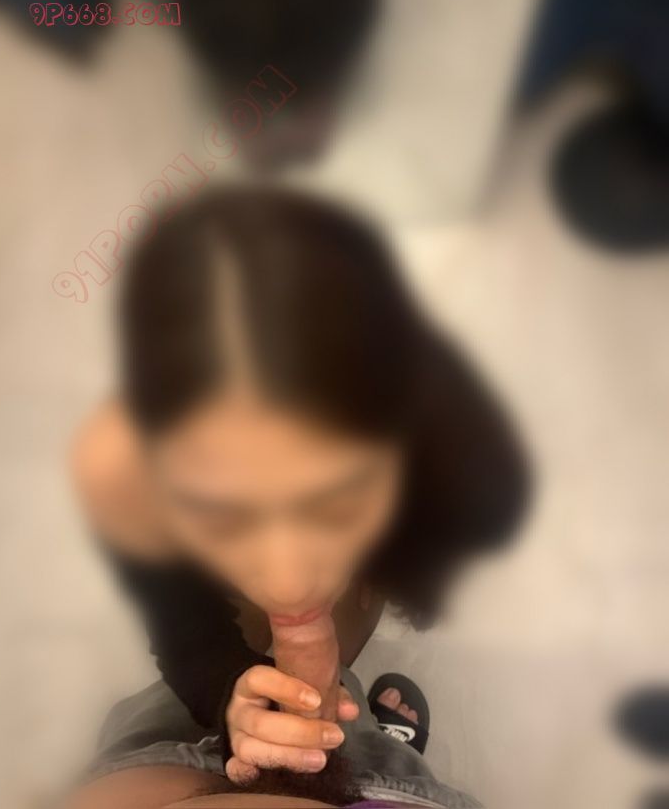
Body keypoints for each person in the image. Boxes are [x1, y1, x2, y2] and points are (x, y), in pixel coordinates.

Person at [72, 185, 530, 784]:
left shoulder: (449, 432)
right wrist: (228, 689)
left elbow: (489, 506)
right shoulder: (118, 468)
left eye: (333, 501)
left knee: (147, 728)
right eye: (222, 513)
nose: (288, 587)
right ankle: (370, 737)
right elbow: (177, 618)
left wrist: (396, 552)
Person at [65, 663, 481, 809]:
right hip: (384, 795)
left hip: (153, 775)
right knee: (347, 710)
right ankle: (384, 740)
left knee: (171, 699)